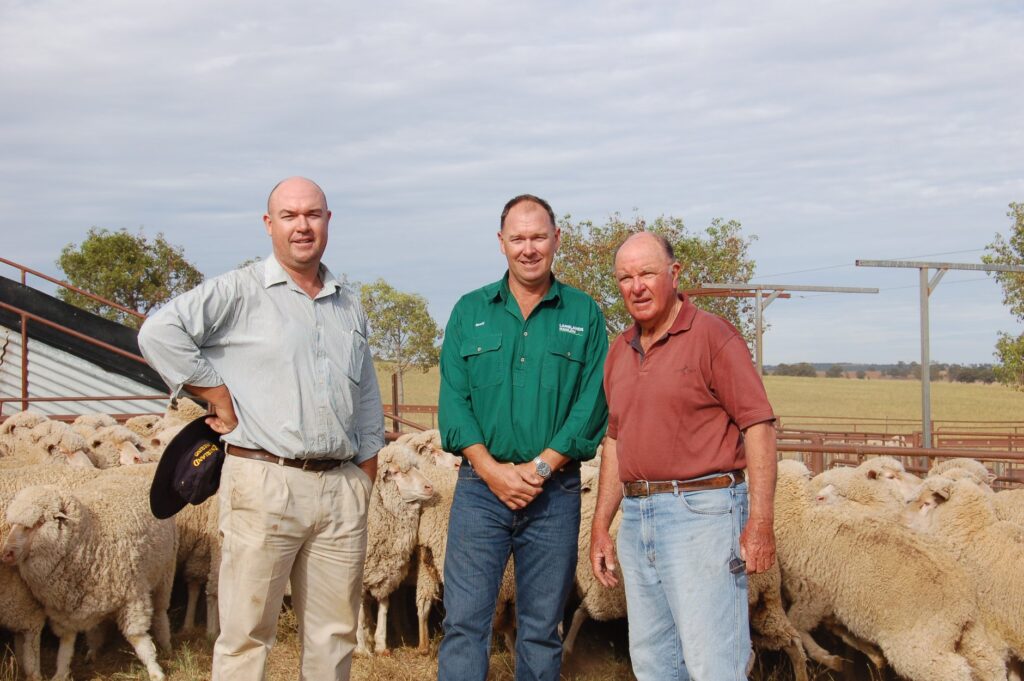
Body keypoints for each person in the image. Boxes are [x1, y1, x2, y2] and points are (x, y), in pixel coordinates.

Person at [138, 177, 383, 681]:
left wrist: (365, 470)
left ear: (328, 221)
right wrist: (215, 392)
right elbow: (159, 333)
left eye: (312, 214)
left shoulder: (348, 304)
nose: (302, 226)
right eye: (289, 216)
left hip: (341, 488)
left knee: (335, 634)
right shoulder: (239, 291)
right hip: (266, 480)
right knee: (247, 634)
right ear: (269, 224)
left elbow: (365, 393)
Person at [589, 232, 777, 681]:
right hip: (638, 515)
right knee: (654, 663)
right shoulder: (620, 350)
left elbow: (758, 425)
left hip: (702, 513)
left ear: (674, 274)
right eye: (625, 278)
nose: (636, 287)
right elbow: (615, 440)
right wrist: (600, 525)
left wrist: (761, 522)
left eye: (647, 274)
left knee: (713, 663)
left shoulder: (712, 336)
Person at [436, 194, 608, 681]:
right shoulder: (470, 311)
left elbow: (592, 402)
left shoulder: (584, 314)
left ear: (556, 239)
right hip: (479, 491)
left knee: (541, 629)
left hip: (554, 493)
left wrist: (540, 467)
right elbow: (454, 403)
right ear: (501, 242)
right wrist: (491, 471)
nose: (528, 248)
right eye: (518, 238)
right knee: (464, 623)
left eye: (538, 237)